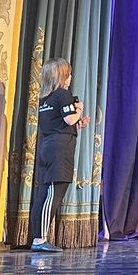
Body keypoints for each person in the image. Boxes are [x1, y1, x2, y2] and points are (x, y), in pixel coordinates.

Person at [29, 58, 89, 252]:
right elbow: (70, 118)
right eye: (68, 74)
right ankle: (40, 240)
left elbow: (60, 123)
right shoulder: (63, 94)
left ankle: (37, 237)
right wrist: (79, 110)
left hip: (47, 147)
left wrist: (78, 123)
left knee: (44, 192)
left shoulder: (45, 99)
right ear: (62, 76)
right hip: (59, 150)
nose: (71, 77)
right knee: (54, 193)